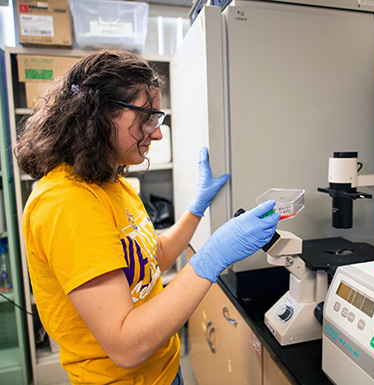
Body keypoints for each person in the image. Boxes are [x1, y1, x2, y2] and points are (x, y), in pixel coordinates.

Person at [15, 49, 280, 385]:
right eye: (147, 118)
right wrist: (213, 257)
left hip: (164, 371)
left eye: (158, 118)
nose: (156, 133)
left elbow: (152, 257)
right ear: (99, 114)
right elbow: (125, 345)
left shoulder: (111, 182)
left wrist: (196, 210)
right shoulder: (66, 203)